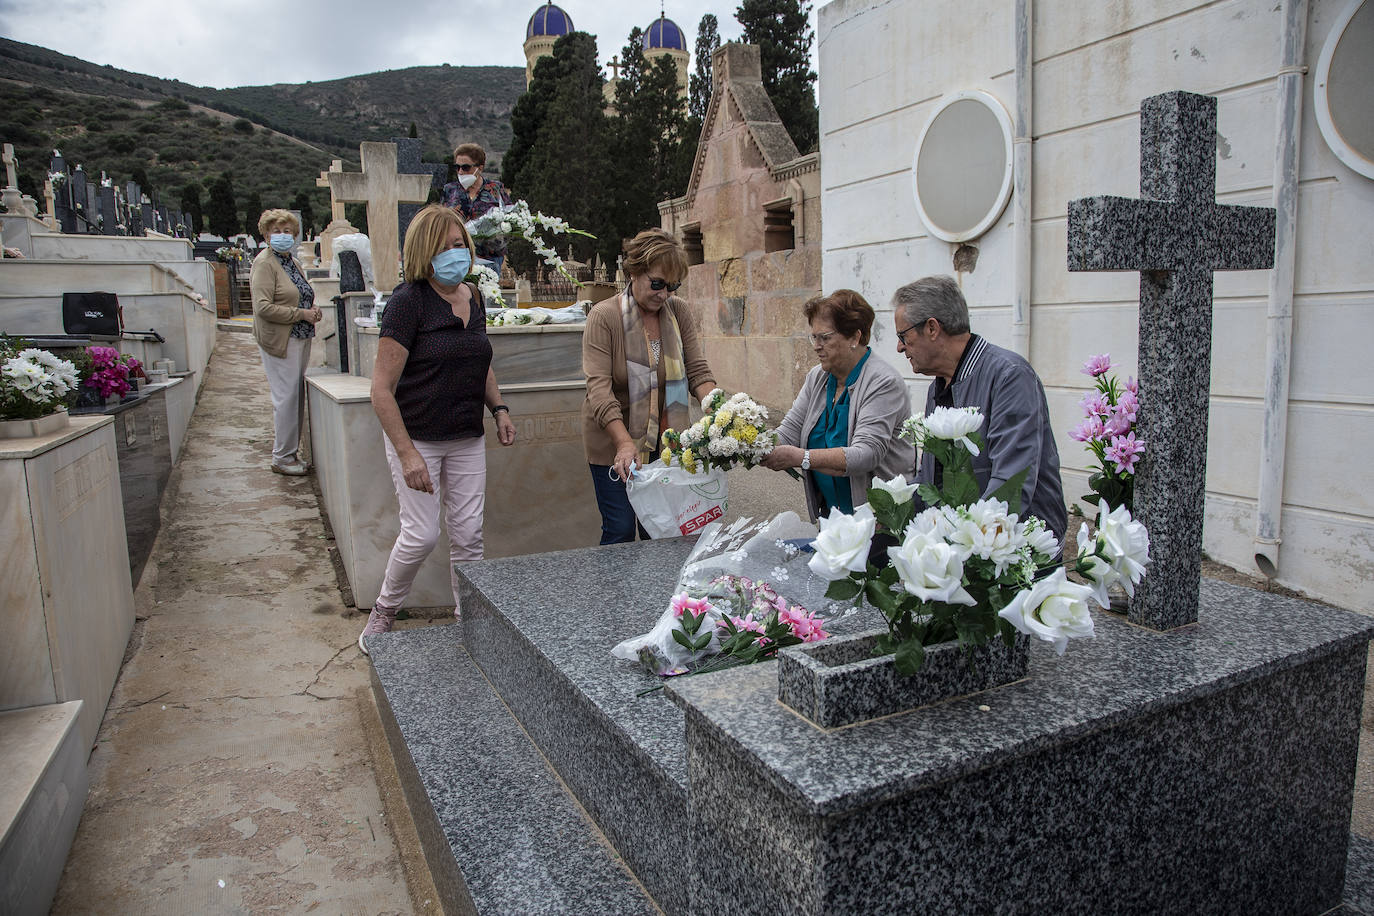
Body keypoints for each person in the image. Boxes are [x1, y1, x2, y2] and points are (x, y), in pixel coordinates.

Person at [358, 205, 517, 653]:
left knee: (469, 536)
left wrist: (499, 408)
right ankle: (384, 613)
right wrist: (407, 453)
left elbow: (479, 360)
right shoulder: (408, 303)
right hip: (419, 437)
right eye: (448, 246)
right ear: (426, 251)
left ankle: (467, 620)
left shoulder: (474, 296)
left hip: (466, 436)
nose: (458, 253)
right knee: (422, 533)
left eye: (461, 244)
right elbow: (381, 390)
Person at [893, 275, 1067, 541]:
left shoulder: (1009, 375)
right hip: (965, 546)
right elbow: (931, 482)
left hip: (1014, 550)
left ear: (931, 328)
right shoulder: (938, 387)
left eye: (903, 335)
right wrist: (888, 509)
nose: (899, 347)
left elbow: (1010, 486)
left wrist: (960, 542)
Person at [582, 228, 716, 544]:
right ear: (634, 272)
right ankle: (615, 593)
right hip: (614, 439)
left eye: (673, 286)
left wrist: (721, 411)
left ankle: (659, 593)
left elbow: (697, 370)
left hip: (668, 440)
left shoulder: (678, 311)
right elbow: (599, 391)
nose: (664, 294)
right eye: (657, 283)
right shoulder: (604, 317)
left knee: (664, 529)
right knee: (621, 528)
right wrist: (624, 443)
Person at [762, 290, 913, 521]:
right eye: (814, 337)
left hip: (881, 521)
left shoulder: (883, 382)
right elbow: (789, 431)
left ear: (854, 337)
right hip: (834, 518)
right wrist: (746, 444)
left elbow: (866, 454)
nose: (817, 346)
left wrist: (802, 457)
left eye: (825, 337)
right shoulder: (818, 377)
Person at [250, 208, 321, 476]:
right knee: (285, 398)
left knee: (295, 396)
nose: (283, 236)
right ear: (267, 234)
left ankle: (291, 453)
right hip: (281, 339)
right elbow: (263, 307)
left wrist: (312, 311)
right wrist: (301, 314)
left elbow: (299, 294)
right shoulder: (265, 263)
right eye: (277, 231)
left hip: (300, 336)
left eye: (288, 231)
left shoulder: (290, 261)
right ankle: (281, 457)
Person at [441, 143, 513, 277]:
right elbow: (440, 219)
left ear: (479, 168)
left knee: (487, 295)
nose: (461, 172)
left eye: (466, 167)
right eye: (457, 167)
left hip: (490, 257)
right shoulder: (450, 189)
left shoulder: (496, 189)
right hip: (457, 256)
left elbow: (509, 218)